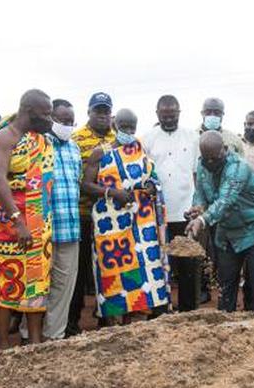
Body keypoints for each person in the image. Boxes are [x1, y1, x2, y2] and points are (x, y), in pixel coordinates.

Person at [0, 89, 54, 349]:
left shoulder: (37, 138)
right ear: (30, 111)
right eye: (46, 114)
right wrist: (17, 220)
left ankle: (33, 342)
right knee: (5, 284)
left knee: (36, 282)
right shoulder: (5, 136)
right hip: (9, 226)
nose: (50, 119)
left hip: (38, 225)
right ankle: (3, 346)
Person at [82, 108, 171, 322]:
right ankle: (110, 320)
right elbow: (85, 185)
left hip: (139, 223)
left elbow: (152, 176)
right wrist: (112, 193)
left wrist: (150, 186)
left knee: (139, 269)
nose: (128, 131)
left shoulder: (139, 149)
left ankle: (130, 319)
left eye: (132, 127)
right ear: (115, 126)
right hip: (110, 224)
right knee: (111, 270)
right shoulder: (100, 153)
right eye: (124, 127)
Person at [185, 131, 254, 314]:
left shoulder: (238, 167)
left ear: (225, 150)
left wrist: (202, 220)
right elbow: (200, 194)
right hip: (228, 232)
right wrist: (197, 209)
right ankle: (225, 325)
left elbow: (226, 200)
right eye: (207, 159)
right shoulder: (203, 165)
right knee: (226, 283)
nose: (211, 163)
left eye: (215, 158)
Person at [142, 95, 201, 311]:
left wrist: (197, 207)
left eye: (173, 115)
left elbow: (197, 173)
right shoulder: (147, 138)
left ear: (179, 113)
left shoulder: (192, 137)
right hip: (157, 213)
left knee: (187, 265)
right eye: (165, 115)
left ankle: (188, 310)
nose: (169, 119)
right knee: (158, 264)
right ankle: (159, 310)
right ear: (157, 114)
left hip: (186, 212)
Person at [68, 92, 116, 335]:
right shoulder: (76, 140)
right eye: (98, 111)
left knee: (108, 268)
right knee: (79, 271)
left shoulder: (117, 138)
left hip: (109, 218)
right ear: (89, 112)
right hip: (82, 215)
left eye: (106, 111)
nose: (102, 116)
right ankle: (72, 321)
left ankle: (105, 317)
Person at [44, 99, 82, 340]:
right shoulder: (39, 144)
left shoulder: (74, 148)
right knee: (40, 286)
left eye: (71, 121)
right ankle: (31, 332)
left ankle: (54, 334)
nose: (67, 125)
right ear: (50, 120)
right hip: (44, 230)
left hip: (70, 227)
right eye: (62, 121)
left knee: (63, 286)